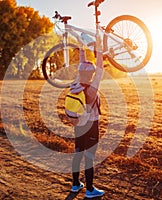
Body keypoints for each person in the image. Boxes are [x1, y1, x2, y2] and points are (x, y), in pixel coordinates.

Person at [70, 35, 104, 198]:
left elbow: (81, 65)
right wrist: (100, 51)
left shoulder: (75, 83)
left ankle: (76, 184)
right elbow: (100, 68)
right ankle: (90, 190)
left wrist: (82, 47)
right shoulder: (92, 88)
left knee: (78, 153)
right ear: (91, 74)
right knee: (89, 157)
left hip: (78, 125)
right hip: (91, 126)